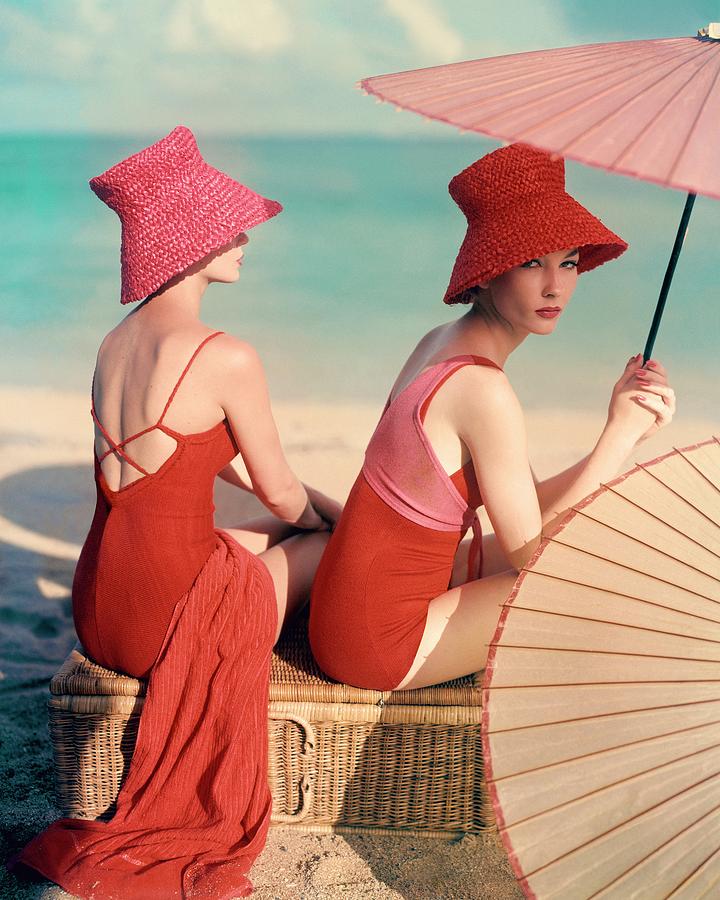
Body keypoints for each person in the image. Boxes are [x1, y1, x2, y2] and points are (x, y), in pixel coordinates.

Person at [13, 125, 341, 898]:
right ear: (193, 241)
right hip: (166, 625)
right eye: (230, 225)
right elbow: (283, 494)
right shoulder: (225, 355)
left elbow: (202, 463)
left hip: (99, 612)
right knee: (319, 549)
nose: (245, 237)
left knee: (253, 539)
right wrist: (332, 518)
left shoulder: (112, 344)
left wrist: (307, 510)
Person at [309, 142, 676, 693]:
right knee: (578, 594)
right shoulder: (483, 390)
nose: (555, 286)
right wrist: (618, 436)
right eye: (532, 263)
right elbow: (535, 558)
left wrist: (623, 432)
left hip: (342, 614)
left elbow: (528, 513)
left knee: (594, 566)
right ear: (485, 274)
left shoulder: (440, 343)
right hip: (375, 642)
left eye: (569, 262)